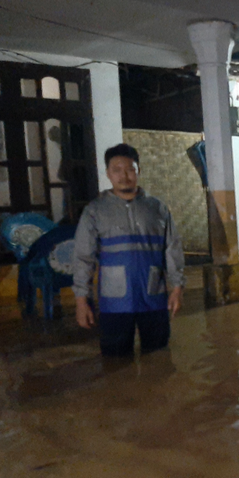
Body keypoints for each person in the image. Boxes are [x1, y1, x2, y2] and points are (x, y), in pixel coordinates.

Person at [73, 143, 185, 356]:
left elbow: (172, 249)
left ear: (138, 171)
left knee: (159, 361)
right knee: (115, 364)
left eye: (130, 169)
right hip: (114, 304)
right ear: (108, 174)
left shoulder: (157, 208)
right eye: (117, 170)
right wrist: (81, 301)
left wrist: (177, 288)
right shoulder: (95, 210)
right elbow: (83, 258)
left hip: (153, 300)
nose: (124, 176)